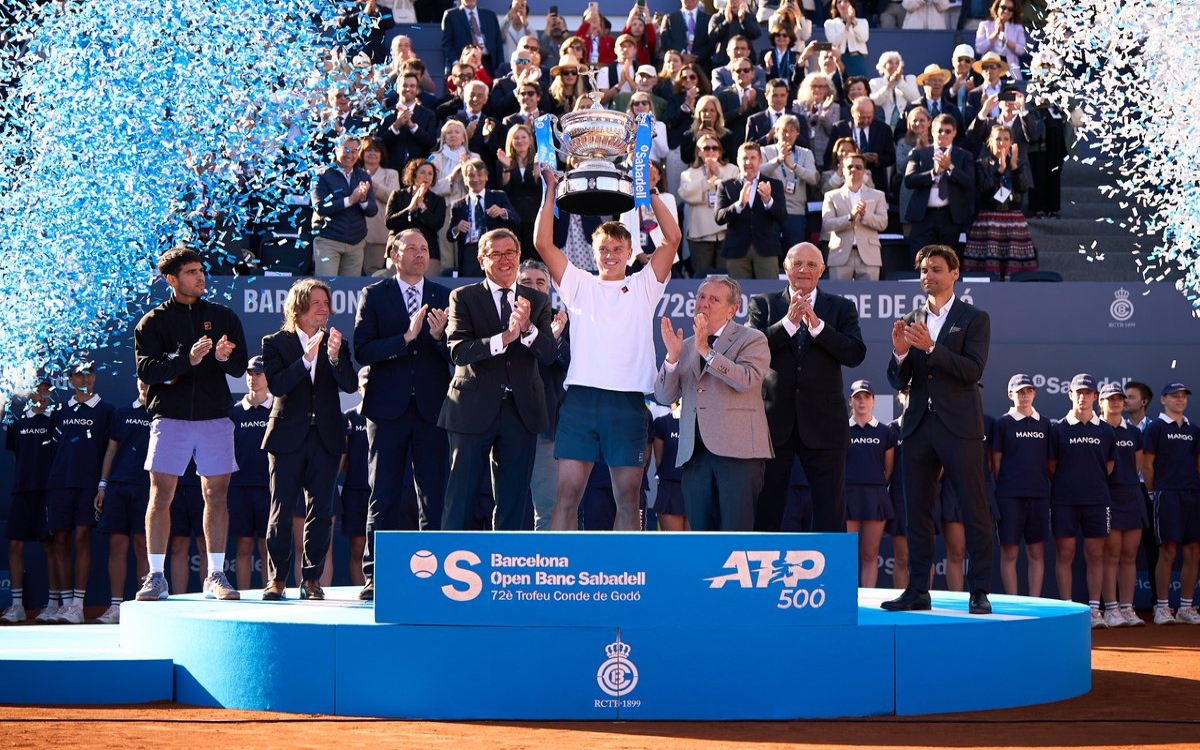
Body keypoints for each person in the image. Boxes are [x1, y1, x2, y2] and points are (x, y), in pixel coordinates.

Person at [536, 167, 682, 532]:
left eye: (618, 249)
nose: (611, 254)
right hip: (582, 401)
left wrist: (648, 191)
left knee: (629, 497)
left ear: (631, 251)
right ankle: (559, 575)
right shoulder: (578, 283)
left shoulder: (645, 285)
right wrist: (550, 189)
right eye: (604, 249)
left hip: (628, 402)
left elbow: (673, 238)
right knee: (567, 493)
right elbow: (543, 244)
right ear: (593, 252)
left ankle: (625, 576)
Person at [882, 245, 993, 615]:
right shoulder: (911, 318)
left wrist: (931, 348)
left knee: (974, 509)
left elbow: (972, 371)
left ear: (954, 274)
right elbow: (900, 380)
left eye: (936, 269)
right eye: (924, 270)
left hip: (959, 426)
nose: (928, 275)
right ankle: (917, 589)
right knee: (917, 511)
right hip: (917, 427)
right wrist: (899, 353)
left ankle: (978, 591)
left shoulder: (974, 318)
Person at [134, 245, 248, 602]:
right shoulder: (152, 322)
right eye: (191, 272)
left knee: (216, 495)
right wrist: (190, 359)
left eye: (201, 270)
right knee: (161, 495)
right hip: (170, 418)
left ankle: (215, 574)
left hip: (215, 418)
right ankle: (155, 576)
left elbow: (240, 366)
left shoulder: (223, 315)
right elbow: (147, 370)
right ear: (172, 279)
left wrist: (222, 358)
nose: (201, 277)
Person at [353, 229, 452, 600]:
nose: (420, 254)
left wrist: (440, 338)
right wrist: (406, 338)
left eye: (425, 248)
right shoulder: (374, 295)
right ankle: (375, 576)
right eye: (411, 248)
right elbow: (362, 350)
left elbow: (457, 356)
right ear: (394, 254)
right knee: (384, 494)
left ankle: (440, 574)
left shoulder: (444, 296)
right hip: (387, 410)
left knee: (433, 495)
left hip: (431, 410)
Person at [439, 228, 557, 531]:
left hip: (522, 411)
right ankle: (451, 564)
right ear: (481, 259)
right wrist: (504, 338)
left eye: (510, 253)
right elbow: (458, 351)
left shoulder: (536, 300)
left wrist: (528, 329)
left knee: (514, 501)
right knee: (461, 496)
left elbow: (549, 353)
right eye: (496, 253)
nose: (504, 259)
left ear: (518, 257)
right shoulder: (462, 297)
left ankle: (506, 568)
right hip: (472, 409)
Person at [748, 242, 866, 532]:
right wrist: (788, 324)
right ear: (785, 267)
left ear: (822, 270)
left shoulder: (840, 307)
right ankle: (763, 575)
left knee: (830, 512)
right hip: (774, 424)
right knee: (767, 509)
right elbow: (751, 349)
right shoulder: (763, 304)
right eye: (797, 263)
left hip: (825, 426)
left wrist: (818, 328)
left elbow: (855, 353)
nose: (804, 270)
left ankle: (830, 576)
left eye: (812, 265)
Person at [260, 279, 357, 601]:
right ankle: (277, 580)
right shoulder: (275, 342)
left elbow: (350, 384)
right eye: (316, 302)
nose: (323, 308)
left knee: (321, 512)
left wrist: (331, 357)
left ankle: (311, 580)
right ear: (298, 307)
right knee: (281, 510)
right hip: (287, 436)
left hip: (326, 437)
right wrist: (306, 359)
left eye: (326, 303)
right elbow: (277, 386)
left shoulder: (336, 342)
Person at [654, 276, 772, 531]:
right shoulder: (684, 346)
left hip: (738, 454)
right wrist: (672, 359)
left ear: (733, 309)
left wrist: (707, 351)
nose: (704, 304)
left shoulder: (752, 338)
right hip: (695, 455)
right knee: (701, 535)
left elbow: (747, 380)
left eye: (714, 299)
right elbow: (664, 398)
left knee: (735, 533)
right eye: (701, 297)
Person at [44, 361, 114, 623]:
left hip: (88, 485)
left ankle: (78, 605)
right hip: (58, 484)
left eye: (89, 373)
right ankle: (64, 604)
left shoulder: (107, 411)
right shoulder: (59, 410)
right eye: (79, 375)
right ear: (70, 379)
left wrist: (101, 486)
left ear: (95, 377)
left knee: (82, 539)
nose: (85, 379)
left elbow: (110, 452)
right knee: (60, 541)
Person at [1048, 374, 1116, 627]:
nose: (1083, 397)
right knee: (1065, 553)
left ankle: (1094, 610)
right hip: (1064, 500)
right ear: (1070, 394)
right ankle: (1067, 609)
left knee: (1095, 554)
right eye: (1078, 392)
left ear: (1095, 397)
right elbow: (1051, 466)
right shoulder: (1058, 429)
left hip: (1097, 500)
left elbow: (1109, 466)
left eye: (1088, 393)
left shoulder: (1106, 430)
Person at [93, 379, 153, 625]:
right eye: (142, 380)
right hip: (118, 487)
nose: (146, 385)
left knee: (143, 547)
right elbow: (110, 451)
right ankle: (116, 606)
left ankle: (145, 609)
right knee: (117, 547)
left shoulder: (165, 414)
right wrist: (103, 485)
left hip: (148, 488)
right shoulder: (122, 413)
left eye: (151, 381)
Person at [517, 260, 570, 531]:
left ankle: (550, 569)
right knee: (508, 509)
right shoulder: (502, 316)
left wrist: (556, 340)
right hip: (506, 425)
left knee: (549, 508)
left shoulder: (563, 320)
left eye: (541, 283)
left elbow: (570, 365)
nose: (534, 288)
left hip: (545, 427)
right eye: (526, 282)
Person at [1143, 382, 1200, 625]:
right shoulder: (1155, 428)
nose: (1180, 400)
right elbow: (1147, 465)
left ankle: (1186, 607)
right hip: (1166, 495)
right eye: (1174, 396)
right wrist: (1153, 492)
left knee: (1194, 551)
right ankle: (1163, 607)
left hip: (1192, 495)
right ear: (1163, 399)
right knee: (1167, 550)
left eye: (1183, 397)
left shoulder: (1193, 430)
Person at [991, 373, 1050, 597]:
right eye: (1019, 392)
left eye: (1028, 391)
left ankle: (1034, 603)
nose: (1024, 396)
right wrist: (1008, 483)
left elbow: (1048, 461)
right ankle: (1013, 603)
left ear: (1034, 393)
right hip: (1009, 496)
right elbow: (996, 461)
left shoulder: (1044, 423)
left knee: (1036, 551)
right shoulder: (1002, 424)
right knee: (1010, 552)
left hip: (1038, 495)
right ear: (1010, 395)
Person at [3, 380, 57, 623]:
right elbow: (16, 456)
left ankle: (54, 603)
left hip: (47, 492)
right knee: (15, 545)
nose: (41, 393)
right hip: (22, 491)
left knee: (50, 547)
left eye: (45, 389)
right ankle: (17, 606)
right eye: (37, 389)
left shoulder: (55, 419)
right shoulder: (15, 421)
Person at [1099, 382, 1148, 627]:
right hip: (1108, 496)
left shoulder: (1134, 432)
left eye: (1119, 398)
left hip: (1132, 496)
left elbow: (1137, 466)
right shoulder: (1097, 430)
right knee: (1111, 554)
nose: (1116, 402)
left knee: (1130, 555)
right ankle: (1111, 609)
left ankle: (1127, 608)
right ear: (1102, 403)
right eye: (1110, 399)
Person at [961, 124, 1035, 279]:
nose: (1002, 143)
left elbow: (1023, 188)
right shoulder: (981, 164)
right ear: (990, 142)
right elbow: (982, 189)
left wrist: (1013, 167)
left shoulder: (1019, 163)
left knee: (1014, 270)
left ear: (1011, 142)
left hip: (1013, 220)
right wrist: (999, 171)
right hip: (989, 219)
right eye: (998, 139)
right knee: (987, 270)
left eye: (1006, 139)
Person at [844, 380, 896, 587]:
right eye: (857, 397)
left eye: (866, 397)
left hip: (875, 497)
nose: (862, 401)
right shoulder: (842, 430)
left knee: (869, 553)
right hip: (847, 496)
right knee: (846, 555)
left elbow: (889, 469)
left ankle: (868, 600)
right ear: (851, 401)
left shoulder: (885, 432)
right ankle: (847, 600)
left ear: (873, 401)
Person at [227, 357, 272, 593]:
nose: (253, 378)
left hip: (269, 488)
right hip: (239, 487)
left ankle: (269, 593)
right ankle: (243, 596)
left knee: (267, 547)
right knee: (243, 546)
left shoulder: (277, 409)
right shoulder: (233, 412)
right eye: (250, 373)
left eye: (258, 374)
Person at [903, 114, 975, 259]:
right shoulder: (919, 154)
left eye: (947, 131)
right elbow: (909, 181)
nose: (943, 134)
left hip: (950, 217)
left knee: (947, 261)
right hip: (923, 217)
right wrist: (934, 172)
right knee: (919, 260)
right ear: (932, 132)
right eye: (939, 130)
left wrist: (950, 167)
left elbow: (969, 183)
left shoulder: (964, 156)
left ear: (954, 133)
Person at [714, 142, 787, 279]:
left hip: (766, 249)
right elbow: (719, 217)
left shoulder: (774, 185)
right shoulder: (726, 186)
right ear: (737, 161)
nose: (748, 162)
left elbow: (782, 215)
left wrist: (768, 200)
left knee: (769, 295)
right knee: (736, 295)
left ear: (760, 161)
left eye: (753, 158)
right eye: (744, 158)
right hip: (737, 250)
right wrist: (740, 204)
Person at [311, 135, 377, 276]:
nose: (350, 155)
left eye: (354, 151)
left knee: (349, 291)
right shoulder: (321, 175)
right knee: (326, 288)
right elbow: (320, 207)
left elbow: (373, 211)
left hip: (356, 244)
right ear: (336, 150)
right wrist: (350, 200)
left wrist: (363, 199)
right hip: (328, 242)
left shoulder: (363, 176)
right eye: (346, 150)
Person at [678, 133, 739, 276]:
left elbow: (737, 193)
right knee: (701, 277)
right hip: (700, 233)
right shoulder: (689, 173)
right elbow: (686, 194)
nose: (711, 151)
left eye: (715, 148)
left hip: (726, 232)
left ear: (720, 150)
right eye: (706, 148)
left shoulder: (732, 169)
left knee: (725, 278)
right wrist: (706, 182)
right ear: (698, 151)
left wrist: (719, 174)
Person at [821, 151, 889, 280]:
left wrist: (864, 214)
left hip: (869, 254)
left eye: (858, 167)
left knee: (869, 298)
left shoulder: (878, 195)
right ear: (843, 170)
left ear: (864, 171)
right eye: (850, 166)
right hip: (840, 254)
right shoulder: (831, 195)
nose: (854, 170)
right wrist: (850, 217)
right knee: (838, 297)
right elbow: (827, 224)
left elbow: (883, 223)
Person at [447, 159, 519, 278]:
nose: (475, 179)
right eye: (470, 175)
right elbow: (450, 236)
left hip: (495, 248)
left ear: (486, 176)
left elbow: (516, 219)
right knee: (470, 285)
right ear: (464, 179)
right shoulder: (458, 205)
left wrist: (502, 212)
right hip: (470, 251)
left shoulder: (498, 196)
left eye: (480, 175)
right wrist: (457, 228)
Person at [761, 114, 819, 251]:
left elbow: (814, 178)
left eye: (792, 130)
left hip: (795, 212)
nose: (788, 134)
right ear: (776, 132)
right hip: (771, 209)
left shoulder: (806, 153)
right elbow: (759, 173)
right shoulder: (765, 151)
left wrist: (794, 167)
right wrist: (778, 160)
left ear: (797, 133)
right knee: (769, 253)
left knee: (794, 254)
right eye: (784, 130)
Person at [385, 159, 449, 276]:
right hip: (398, 250)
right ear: (413, 174)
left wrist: (422, 207)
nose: (427, 176)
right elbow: (389, 222)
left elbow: (437, 225)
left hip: (428, 252)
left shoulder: (438, 200)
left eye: (430, 173)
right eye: (422, 172)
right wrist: (410, 208)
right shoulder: (398, 195)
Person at [826, 96, 895, 204]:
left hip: (873, 184)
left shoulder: (883, 129)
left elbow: (891, 157)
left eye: (869, 117)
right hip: (844, 186)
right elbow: (829, 156)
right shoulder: (839, 128)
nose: (866, 121)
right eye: (862, 117)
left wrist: (877, 159)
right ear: (852, 112)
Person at [494, 123, 541, 260]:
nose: (520, 141)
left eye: (523, 137)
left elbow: (540, 189)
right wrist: (506, 168)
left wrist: (537, 172)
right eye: (516, 138)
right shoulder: (503, 161)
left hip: (534, 214)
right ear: (511, 141)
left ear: (530, 139)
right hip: (513, 214)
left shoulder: (539, 160)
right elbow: (504, 188)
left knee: (533, 254)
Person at [375, 72, 439, 173]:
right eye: (404, 85)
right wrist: (396, 126)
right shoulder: (384, 114)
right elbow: (378, 143)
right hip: (390, 171)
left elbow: (432, 142)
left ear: (417, 90)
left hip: (417, 172)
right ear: (397, 88)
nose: (408, 89)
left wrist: (413, 127)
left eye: (412, 86)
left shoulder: (428, 115)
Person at [358, 137, 399, 276]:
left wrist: (372, 185)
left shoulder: (391, 174)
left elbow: (393, 198)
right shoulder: (354, 173)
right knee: (353, 274)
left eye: (376, 150)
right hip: (355, 230)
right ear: (362, 153)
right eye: (368, 150)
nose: (372, 153)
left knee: (373, 273)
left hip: (378, 231)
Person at [441, 0, 504, 77]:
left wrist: (501, 67)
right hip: (465, 66)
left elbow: (498, 43)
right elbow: (446, 44)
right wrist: (457, 63)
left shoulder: (490, 15)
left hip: (488, 64)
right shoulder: (451, 15)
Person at [651, 403, 688, 530]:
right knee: (674, 545)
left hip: (696, 488)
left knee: (695, 545)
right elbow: (659, 459)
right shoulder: (662, 423)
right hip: (670, 488)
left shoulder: (704, 424)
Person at [974, 0, 1026, 81]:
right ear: (997, 7)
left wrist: (1005, 40)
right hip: (990, 69)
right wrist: (995, 34)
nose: (1006, 11)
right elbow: (979, 48)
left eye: (1010, 9)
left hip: (1010, 71)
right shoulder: (984, 25)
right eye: (1003, 7)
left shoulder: (1018, 28)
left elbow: (1021, 50)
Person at [659, 0, 717, 70]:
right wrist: (682, 54)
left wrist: (696, 56)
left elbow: (712, 42)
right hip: (677, 68)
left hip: (702, 67)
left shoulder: (709, 18)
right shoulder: (670, 18)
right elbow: (665, 42)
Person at [869, 51, 920, 130]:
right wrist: (889, 85)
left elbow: (915, 99)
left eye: (897, 63)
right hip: (884, 125)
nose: (894, 66)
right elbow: (874, 103)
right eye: (890, 63)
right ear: (883, 66)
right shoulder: (875, 82)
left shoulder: (910, 79)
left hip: (905, 126)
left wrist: (900, 81)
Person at [824, 0, 869, 78]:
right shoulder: (830, 23)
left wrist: (853, 22)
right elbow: (834, 42)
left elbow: (863, 38)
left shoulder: (862, 22)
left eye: (846, 1)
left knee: (859, 83)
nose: (842, 4)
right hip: (839, 59)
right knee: (841, 84)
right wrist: (847, 26)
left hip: (857, 59)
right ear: (835, 6)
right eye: (839, 2)